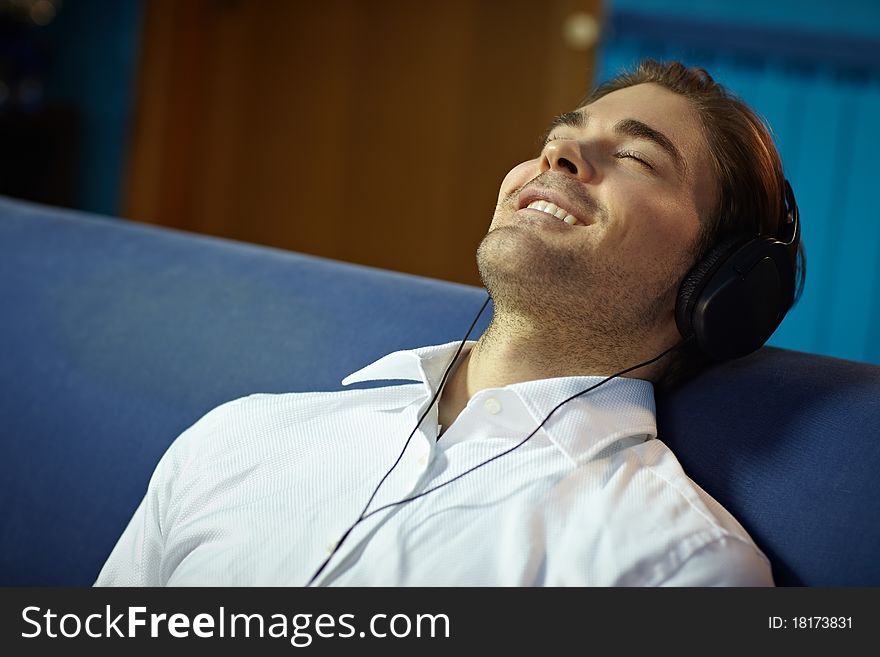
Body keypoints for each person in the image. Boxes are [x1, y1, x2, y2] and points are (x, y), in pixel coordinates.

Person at [94, 59, 803, 587]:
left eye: (635, 157)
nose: (559, 156)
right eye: (560, 138)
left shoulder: (680, 565)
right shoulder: (237, 435)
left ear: (722, 286)